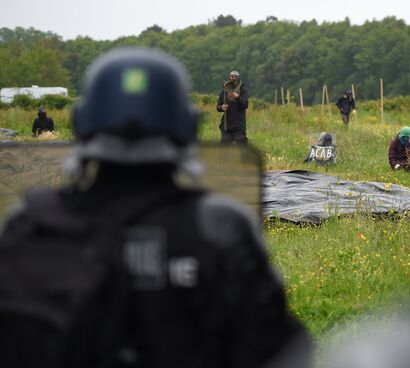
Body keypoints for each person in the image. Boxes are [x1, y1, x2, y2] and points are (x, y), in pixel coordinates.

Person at [0, 48, 310, 367]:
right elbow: (273, 347)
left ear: (81, 123)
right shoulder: (219, 228)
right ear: (188, 126)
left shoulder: (30, 226)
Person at [217, 71, 249, 145]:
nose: (233, 79)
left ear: (238, 78)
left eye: (235, 77)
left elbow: (245, 105)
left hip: (238, 126)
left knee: (242, 148)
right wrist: (222, 107)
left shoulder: (243, 90)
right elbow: (218, 107)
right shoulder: (224, 91)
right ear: (229, 78)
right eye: (232, 77)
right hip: (226, 126)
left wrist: (238, 97)